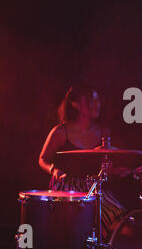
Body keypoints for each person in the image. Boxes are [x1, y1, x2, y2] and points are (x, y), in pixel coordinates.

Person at [38, 84, 128, 238]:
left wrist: (114, 171)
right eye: (91, 101)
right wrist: (53, 170)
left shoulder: (103, 132)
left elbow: (103, 167)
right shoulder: (61, 131)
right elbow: (42, 159)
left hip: (94, 186)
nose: (97, 104)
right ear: (76, 104)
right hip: (68, 186)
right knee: (78, 218)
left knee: (116, 214)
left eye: (98, 101)